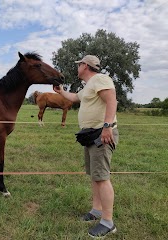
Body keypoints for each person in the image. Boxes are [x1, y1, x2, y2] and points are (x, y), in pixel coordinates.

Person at [53, 55, 119, 238]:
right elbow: (74, 97)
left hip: (101, 135)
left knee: (102, 177)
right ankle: (96, 210)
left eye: (79, 64)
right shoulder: (89, 85)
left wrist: (107, 127)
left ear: (85, 66)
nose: (77, 68)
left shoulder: (100, 79)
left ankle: (108, 222)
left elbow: (112, 101)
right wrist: (60, 91)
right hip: (91, 135)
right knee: (95, 176)